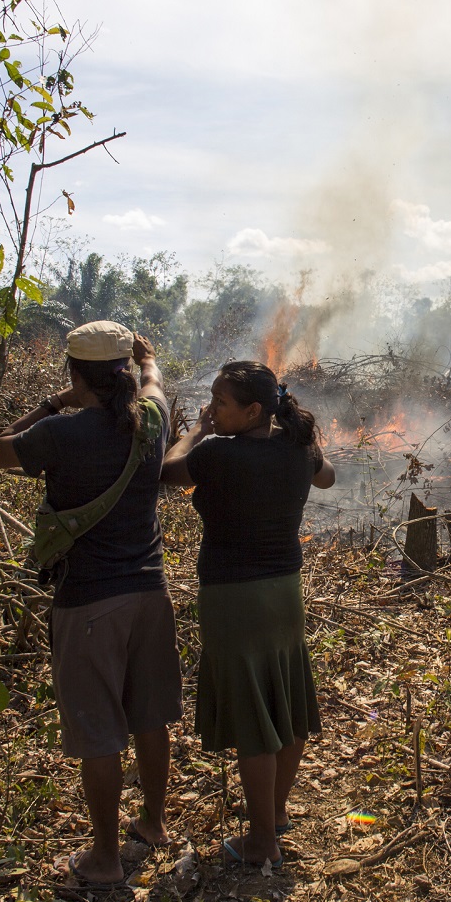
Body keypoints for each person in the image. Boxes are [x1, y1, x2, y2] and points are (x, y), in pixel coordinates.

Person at [0, 321, 181, 887]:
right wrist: (147, 361)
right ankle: (153, 823)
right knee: (149, 716)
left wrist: (54, 402)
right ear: (125, 372)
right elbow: (156, 385)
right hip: (150, 592)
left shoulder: (59, 432)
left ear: (75, 373)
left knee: (99, 732)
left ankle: (104, 858)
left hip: (89, 601)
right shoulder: (151, 419)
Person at [161, 361, 335, 867]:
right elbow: (328, 478)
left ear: (254, 410)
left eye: (221, 402)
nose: (213, 409)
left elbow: (166, 472)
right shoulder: (298, 448)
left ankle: (262, 843)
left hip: (234, 599)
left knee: (254, 718)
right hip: (285, 594)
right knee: (286, 702)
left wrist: (197, 429)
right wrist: (300, 438)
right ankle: (274, 813)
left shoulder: (217, 453)